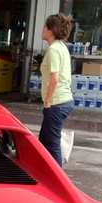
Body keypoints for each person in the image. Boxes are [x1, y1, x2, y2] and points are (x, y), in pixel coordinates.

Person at [39, 13, 74, 167]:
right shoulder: (62, 47)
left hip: (56, 102)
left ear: (50, 31)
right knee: (44, 141)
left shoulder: (53, 50)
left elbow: (54, 79)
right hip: (63, 101)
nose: (42, 29)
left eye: (45, 27)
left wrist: (47, 101)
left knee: (51, 144)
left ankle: (58, 181)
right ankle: (44, 172)